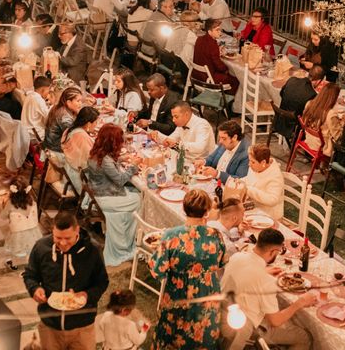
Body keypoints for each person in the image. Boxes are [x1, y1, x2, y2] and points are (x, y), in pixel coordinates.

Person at [149, 189, 225, 349]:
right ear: (206, 212)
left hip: (179, 293)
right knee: (203, 334)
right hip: (207, 293)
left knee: (174, 334)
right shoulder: (216, 235)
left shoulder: (170, 236)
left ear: (184, 209)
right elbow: (220, 262)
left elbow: (157, 272)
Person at [23, 211, 109, 350]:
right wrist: (35, 289)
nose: (63, 243)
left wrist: (87, 295)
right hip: (50, 326)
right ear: (52, 230)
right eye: (58, 237)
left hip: (82, 327)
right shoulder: (41, 247)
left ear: (77, 230)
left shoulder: (92, 250)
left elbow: (102, 282)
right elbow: (30, 275)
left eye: (67, 238)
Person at [221, 228, 317, 350]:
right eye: (279, 251)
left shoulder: (237, 257)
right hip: (247, 332)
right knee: (304, 336)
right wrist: (301, 302)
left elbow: (247, 272)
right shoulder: (266, 282)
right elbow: (275, 321)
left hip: (223, 317)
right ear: (273, 251)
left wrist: (263, 272)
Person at [86, 124, 142, 266]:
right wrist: (134, 166)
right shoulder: (105, 161)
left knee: (136, 192)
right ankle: (131, 238)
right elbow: (121, 180)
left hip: (100, 191)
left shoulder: (98, 153)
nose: (121, 143)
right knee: (140, 198)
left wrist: (122, 159)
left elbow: (109, 165)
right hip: (106, 196)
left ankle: (130, 235)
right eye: (119, 141)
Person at [151, 101, 215, 159]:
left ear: (186, 114)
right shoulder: (182, 123)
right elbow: (172, 139)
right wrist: (158, 135)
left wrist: (178, 144)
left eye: (176, 117)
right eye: (173, 116)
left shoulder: (202, 125)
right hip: (183, 156)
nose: (173, 120)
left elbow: (199, 147)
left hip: (198, 161)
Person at [278, 65, 325, 142]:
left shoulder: (292, 80)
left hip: (279, 119)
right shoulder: (312, 94)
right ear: (318, 81)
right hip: (294, 127)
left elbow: (281, 94)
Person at [0, 178, 42, 258]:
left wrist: (3, 207)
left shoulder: (10, 203)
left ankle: (19, 255)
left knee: (16, 245)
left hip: (18, 233)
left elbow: (3, 216)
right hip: (33, 231)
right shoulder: (31, 200)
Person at [192, 18, 239, 94]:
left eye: (220, 30)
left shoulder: (199, 39)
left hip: (196, 74)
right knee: (235, 80)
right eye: (217, 30)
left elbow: (206, 54)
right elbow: (219, 66)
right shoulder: (213, 44)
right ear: (209, 31)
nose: (220, 32)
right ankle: (227, 102)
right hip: (208, 77)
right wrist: (227, 70)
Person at [243, 144, 284, 220]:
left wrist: (248, 190)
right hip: (253, 208)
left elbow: (272, 200)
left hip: (268, 215)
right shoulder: (255, 167)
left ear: (263, 162)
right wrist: (241, 181)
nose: (249, 164)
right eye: (249, 161)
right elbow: (250, 179)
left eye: (252, 162)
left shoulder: (275, 176)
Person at [62, 107, 100, 190]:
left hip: (70, 172)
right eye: (96, 122)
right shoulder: (81, 136)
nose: (96, 125)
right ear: (89, 124)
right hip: (80, 180)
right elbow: (91, 161)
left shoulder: (70, 129)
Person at [301, 82, 342, 157]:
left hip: (309, 140)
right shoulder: (330, 114)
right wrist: (343, 123)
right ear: (334, 98)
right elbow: (338, 136)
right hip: (322, 147)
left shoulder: (309, 103)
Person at [44, 87, 84, 153]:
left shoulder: (59, 106)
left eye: (81, 101)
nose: (80, 104)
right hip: (55, 148)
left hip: (51, 143)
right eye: (78, 101)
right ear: (68, 102)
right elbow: (75, 136)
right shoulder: (64, 117)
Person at [21, 76, 51, 140]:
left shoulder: (29, 95)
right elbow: (49, 116)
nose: (48, 93)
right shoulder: (38, 100)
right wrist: (53, 105)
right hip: (34, 134)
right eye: (48, 91)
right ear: (43, 90)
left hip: (26, 130)